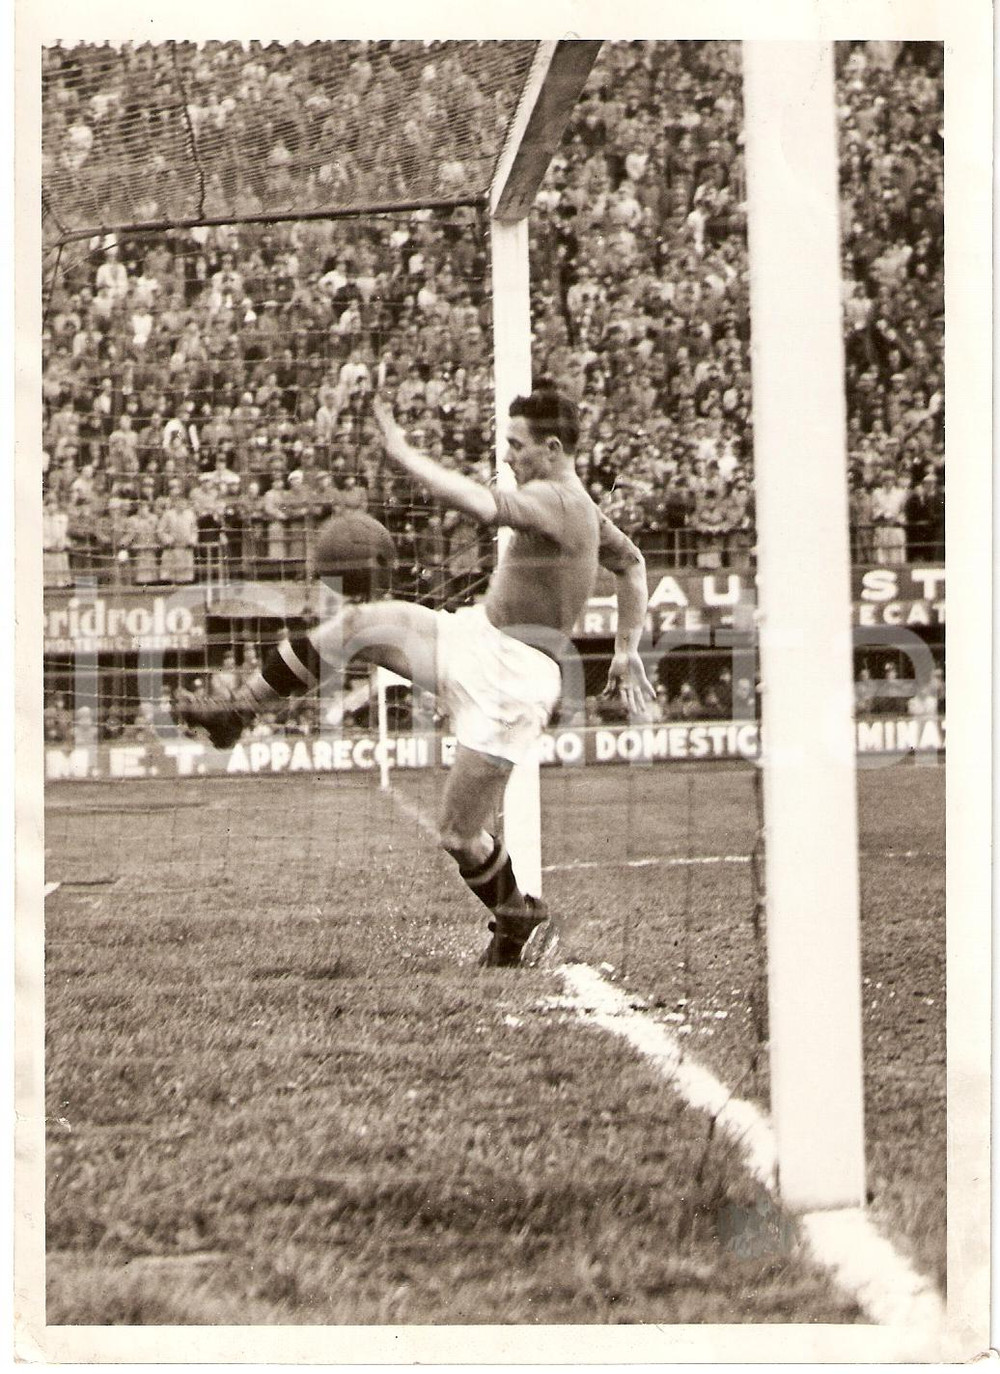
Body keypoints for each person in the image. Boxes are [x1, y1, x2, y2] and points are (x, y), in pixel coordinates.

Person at [177, 382, 655, 967]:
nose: (508, 455)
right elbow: (632, 565)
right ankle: (235, 713)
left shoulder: (561, 502)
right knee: (357, 626)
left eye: (516, 445)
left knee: (458, 834)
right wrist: (625, 648)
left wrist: (404, 455)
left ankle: (518, 922)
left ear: (552, 448)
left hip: (513, 679)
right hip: (478, 637)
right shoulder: (581, 507)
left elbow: (484, 506)